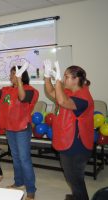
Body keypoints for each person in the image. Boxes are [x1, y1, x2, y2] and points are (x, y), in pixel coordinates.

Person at [0, 61, 39, 200]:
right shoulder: (6, 90)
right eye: (11, 73)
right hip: (10, 128)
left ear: (22, 75)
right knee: (16, 158)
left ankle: (31, 190)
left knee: (24, 159)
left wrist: (19, 79)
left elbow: (22, 97)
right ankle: (19, 182)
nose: (10, 76)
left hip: (22, 129)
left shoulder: (30, 90)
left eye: (13, 73)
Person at [44, 60, 94, 200]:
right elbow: (51, 92)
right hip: (66, 140)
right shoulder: (67, 91)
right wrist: (47, 76)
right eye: (64, 76)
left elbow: (62, 102)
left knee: (75, 179)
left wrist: (58, 80)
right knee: (71, 177)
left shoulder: (84, 98)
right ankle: (77, 197)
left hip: (77, 145)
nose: (64, 79)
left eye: (67, 76)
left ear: (76, 79)